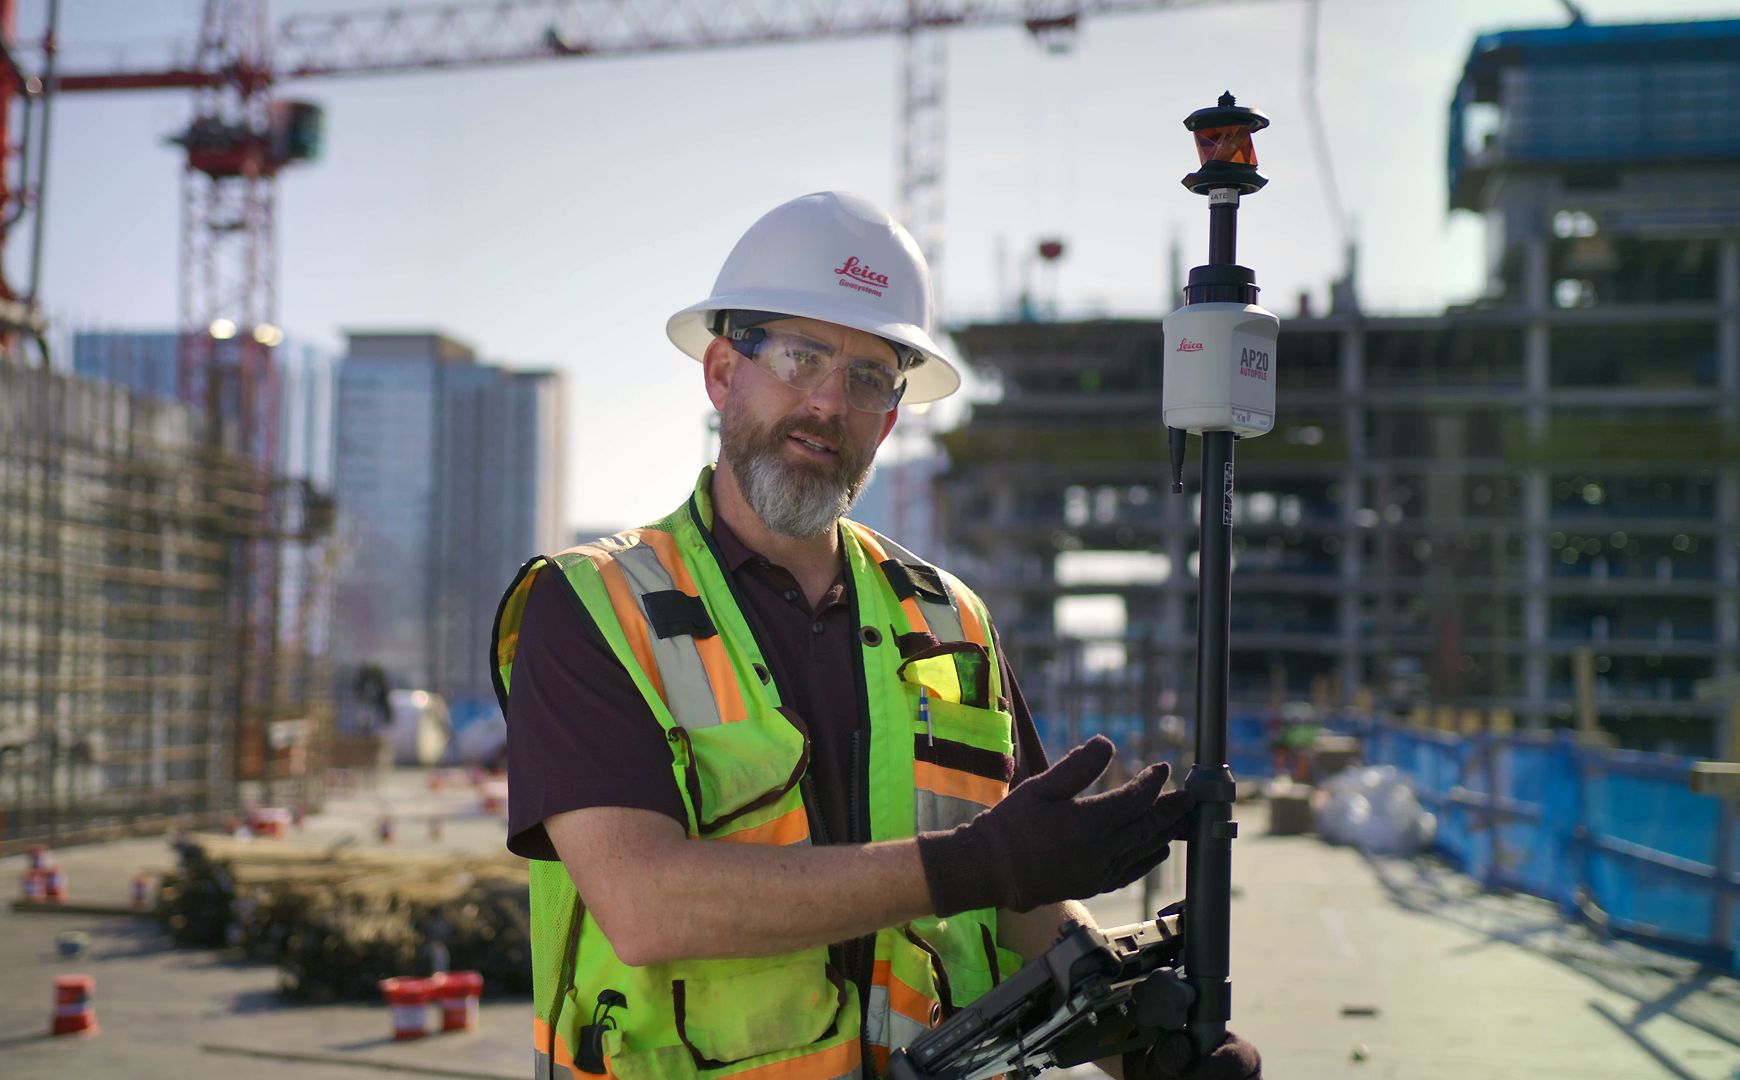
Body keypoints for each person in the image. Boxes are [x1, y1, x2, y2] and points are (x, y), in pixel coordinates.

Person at [494, 191, 1261, 1080]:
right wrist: (976, 864)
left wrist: (1143, 1046)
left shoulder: (950, 621)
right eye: (800, 356)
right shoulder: (592, 607)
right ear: (719, 373)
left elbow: (1015, 900)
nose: (828, 403)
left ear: (891, 419)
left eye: (868, 380)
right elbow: (647, 903)